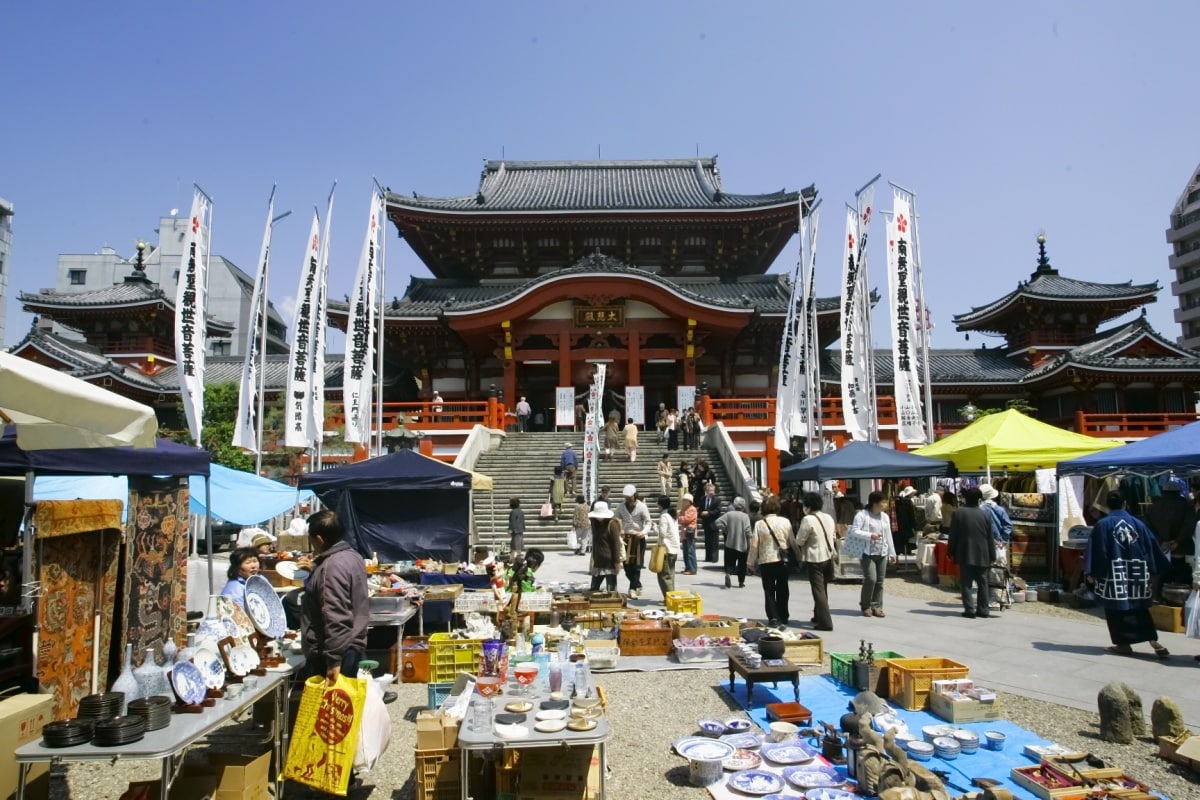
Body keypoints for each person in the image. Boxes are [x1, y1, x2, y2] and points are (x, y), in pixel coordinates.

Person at [1085, 490, 1171, 658]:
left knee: (1115, 609)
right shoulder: (1138, 524)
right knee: (1139, 607)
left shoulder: (1103, 524)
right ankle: (1152, 639)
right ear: (1125, 503)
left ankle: (1123, 645)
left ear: (1107, 505)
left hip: (1114, 572)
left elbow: (1099, 551)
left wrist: (1094, 573)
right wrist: (1154, 569)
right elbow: (1150, 547)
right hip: (1137, 571)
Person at [301, 510, 369, 683]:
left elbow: (336, 616)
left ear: (319, 539)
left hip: (334, 652)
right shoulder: (353, 556)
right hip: (351, 644)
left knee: (330, 708)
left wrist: (334, 661)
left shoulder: (331, 567)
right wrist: (315, 569)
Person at [947, 487, 997, 619]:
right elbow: (990, 537)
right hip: (983, 553)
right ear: (979, 499)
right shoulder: (985, 514)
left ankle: (969, 609)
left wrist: (950, 551)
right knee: (983, 583)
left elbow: (953, 535)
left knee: (966, 583)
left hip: (965, 553)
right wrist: (993, 555)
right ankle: (983, 610)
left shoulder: (958, 513)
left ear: (965, 498)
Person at [792, 492, 836, 631]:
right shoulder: (828, 517)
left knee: (818, 590)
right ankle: (818, 615)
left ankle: (826, 622)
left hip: (815, 557)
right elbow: (833, 536)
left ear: (808, 506)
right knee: (823, 588)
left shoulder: (808, 519)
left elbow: (799, 540)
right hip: (828, 556)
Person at [850, 491, 898, 617]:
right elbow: (854, 531)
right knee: (871, 578)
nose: (885, 505)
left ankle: (877, 606)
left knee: (880, 582)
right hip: (867, 552)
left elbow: (888, 536)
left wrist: (892, 553)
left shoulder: (885, 517)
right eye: (883, 502)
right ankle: (865, 605)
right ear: (875, 503)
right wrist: (870, 536)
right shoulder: (862, 515)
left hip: (882, 552)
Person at [747, 496, 794, 626]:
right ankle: (783, 615)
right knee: (783, 588)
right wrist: (799, 556)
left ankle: (773, 617)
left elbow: (754, 544)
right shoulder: (785, 521)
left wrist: (750, 562)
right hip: (782, 559)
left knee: (769, 590)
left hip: (766, 560)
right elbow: (792, 541)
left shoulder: (759, 524)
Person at [1145, 476, 1195, 591]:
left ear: (1163, 491)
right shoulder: (1186, 507)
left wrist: (1161, 541)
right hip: (1182, 550)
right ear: (1178, 492)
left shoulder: (1153, 507)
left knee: (1162, 579)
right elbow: (1189, 526)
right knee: (1181, 582)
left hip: (1160, 549)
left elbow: (1147, 528)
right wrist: (1177, 541)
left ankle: (1161, 602)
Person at [615, 485, 652, 598]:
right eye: (626, 497)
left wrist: (644, 532)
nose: (627, 499)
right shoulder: (621, 506)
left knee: (637, 565)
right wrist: (619, 528)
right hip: (626, 538)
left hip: (638, 537)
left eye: (629, 497)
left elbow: (648, 521)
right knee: (626, 564)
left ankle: (632, 588)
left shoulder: (642, 506)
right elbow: (615, 519)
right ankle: (637, 583)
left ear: (634, 495)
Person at [717, 497, 752, 589]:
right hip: (742, 544)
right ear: (743, 506)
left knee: (729, 562)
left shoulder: (729, 514)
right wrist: (749, 543)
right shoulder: (745, 516)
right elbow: (748, 531)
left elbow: (717, 522)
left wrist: (725, 530)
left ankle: (728, 574)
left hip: (730, 542)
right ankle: (741, 582)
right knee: (742, 564)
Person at [588, 502, 623, 591]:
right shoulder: (595, 523)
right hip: (598, 561)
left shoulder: (612, 524)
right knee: (593, 588)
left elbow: (616, 544)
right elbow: (595, 542)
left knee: (611, 590)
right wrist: (594, 557)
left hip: (610, 562)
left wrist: (617, 562)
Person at [655, 495, 681, 597]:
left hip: (667, 549)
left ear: (660, 505)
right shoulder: (672, 515)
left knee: (664, 575)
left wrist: (654, 527)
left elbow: (663, 533)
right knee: (670, 574)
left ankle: (669, 599)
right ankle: (671, 597)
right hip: (674, 548)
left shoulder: (664, 516)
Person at [699, 483, 723, 563]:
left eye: (712, 490)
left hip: (714, 523)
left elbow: (718, 510)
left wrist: (708, 513)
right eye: (709, 490)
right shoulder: (703, 499)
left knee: (714, 542)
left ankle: (714, 558)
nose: (711, 492)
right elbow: (700, 509)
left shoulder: (717, 500)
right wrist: (701, 513)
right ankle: (708, 557)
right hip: (706, 523)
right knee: (707, 541)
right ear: (706, 491)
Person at [678, 493, 698, 575]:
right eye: (683, 500)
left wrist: (679, 518)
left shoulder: (692, 509)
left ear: (690, 501)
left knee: (690, 551)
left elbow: (687, 519)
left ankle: (692, 569)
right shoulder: (683, 509)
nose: (684, 502)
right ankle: (687, 567)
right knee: (685, 551)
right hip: (684, 532)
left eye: (685, 500)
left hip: (690, 531)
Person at [895, 485, 917, 555]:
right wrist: (914, 525)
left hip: (899, 525)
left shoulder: (898, 502)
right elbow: (912, 515)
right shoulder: (908, 502)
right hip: (907, 524)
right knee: (907, 539)